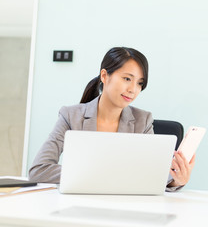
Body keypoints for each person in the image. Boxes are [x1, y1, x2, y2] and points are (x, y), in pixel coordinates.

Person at [29, 47, 195, 191]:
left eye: (139, 83)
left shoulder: (142, 120)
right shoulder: (71, 116)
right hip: (79, 203)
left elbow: (151, 173)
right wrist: (97, 173)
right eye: (127, 79)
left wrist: (176, 180)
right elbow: (39, 170)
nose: (133, 89)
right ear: (104, 76)